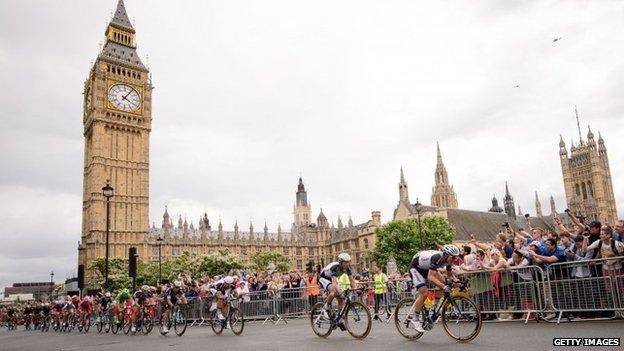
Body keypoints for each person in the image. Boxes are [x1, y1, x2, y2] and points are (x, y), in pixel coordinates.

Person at [408, 244, 460, 333]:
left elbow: (449, 275)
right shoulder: (437, 257)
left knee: (444, 283)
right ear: (446, 255)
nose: (455, 259)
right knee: (424, 293)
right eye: (453, 257)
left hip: (426, 268)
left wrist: (456, 281)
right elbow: (430, 277)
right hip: (415, 269)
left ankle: (433, 308)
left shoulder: (448, 260)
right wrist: (443, 287)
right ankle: (415, 319)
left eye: (456, 257)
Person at [319, 253, 358, 330]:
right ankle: (326, 307)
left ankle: (339, 318)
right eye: (345, 262)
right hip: (324, 279)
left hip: (331, 279)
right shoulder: (335, 267)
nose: (347, 264)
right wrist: (341, 293)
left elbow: (352, 280)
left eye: (348, 262)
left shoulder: (347, 268)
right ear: (340, 262)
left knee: (341, 299)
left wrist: (355, 290)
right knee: (334, 292)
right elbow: (334, 284)